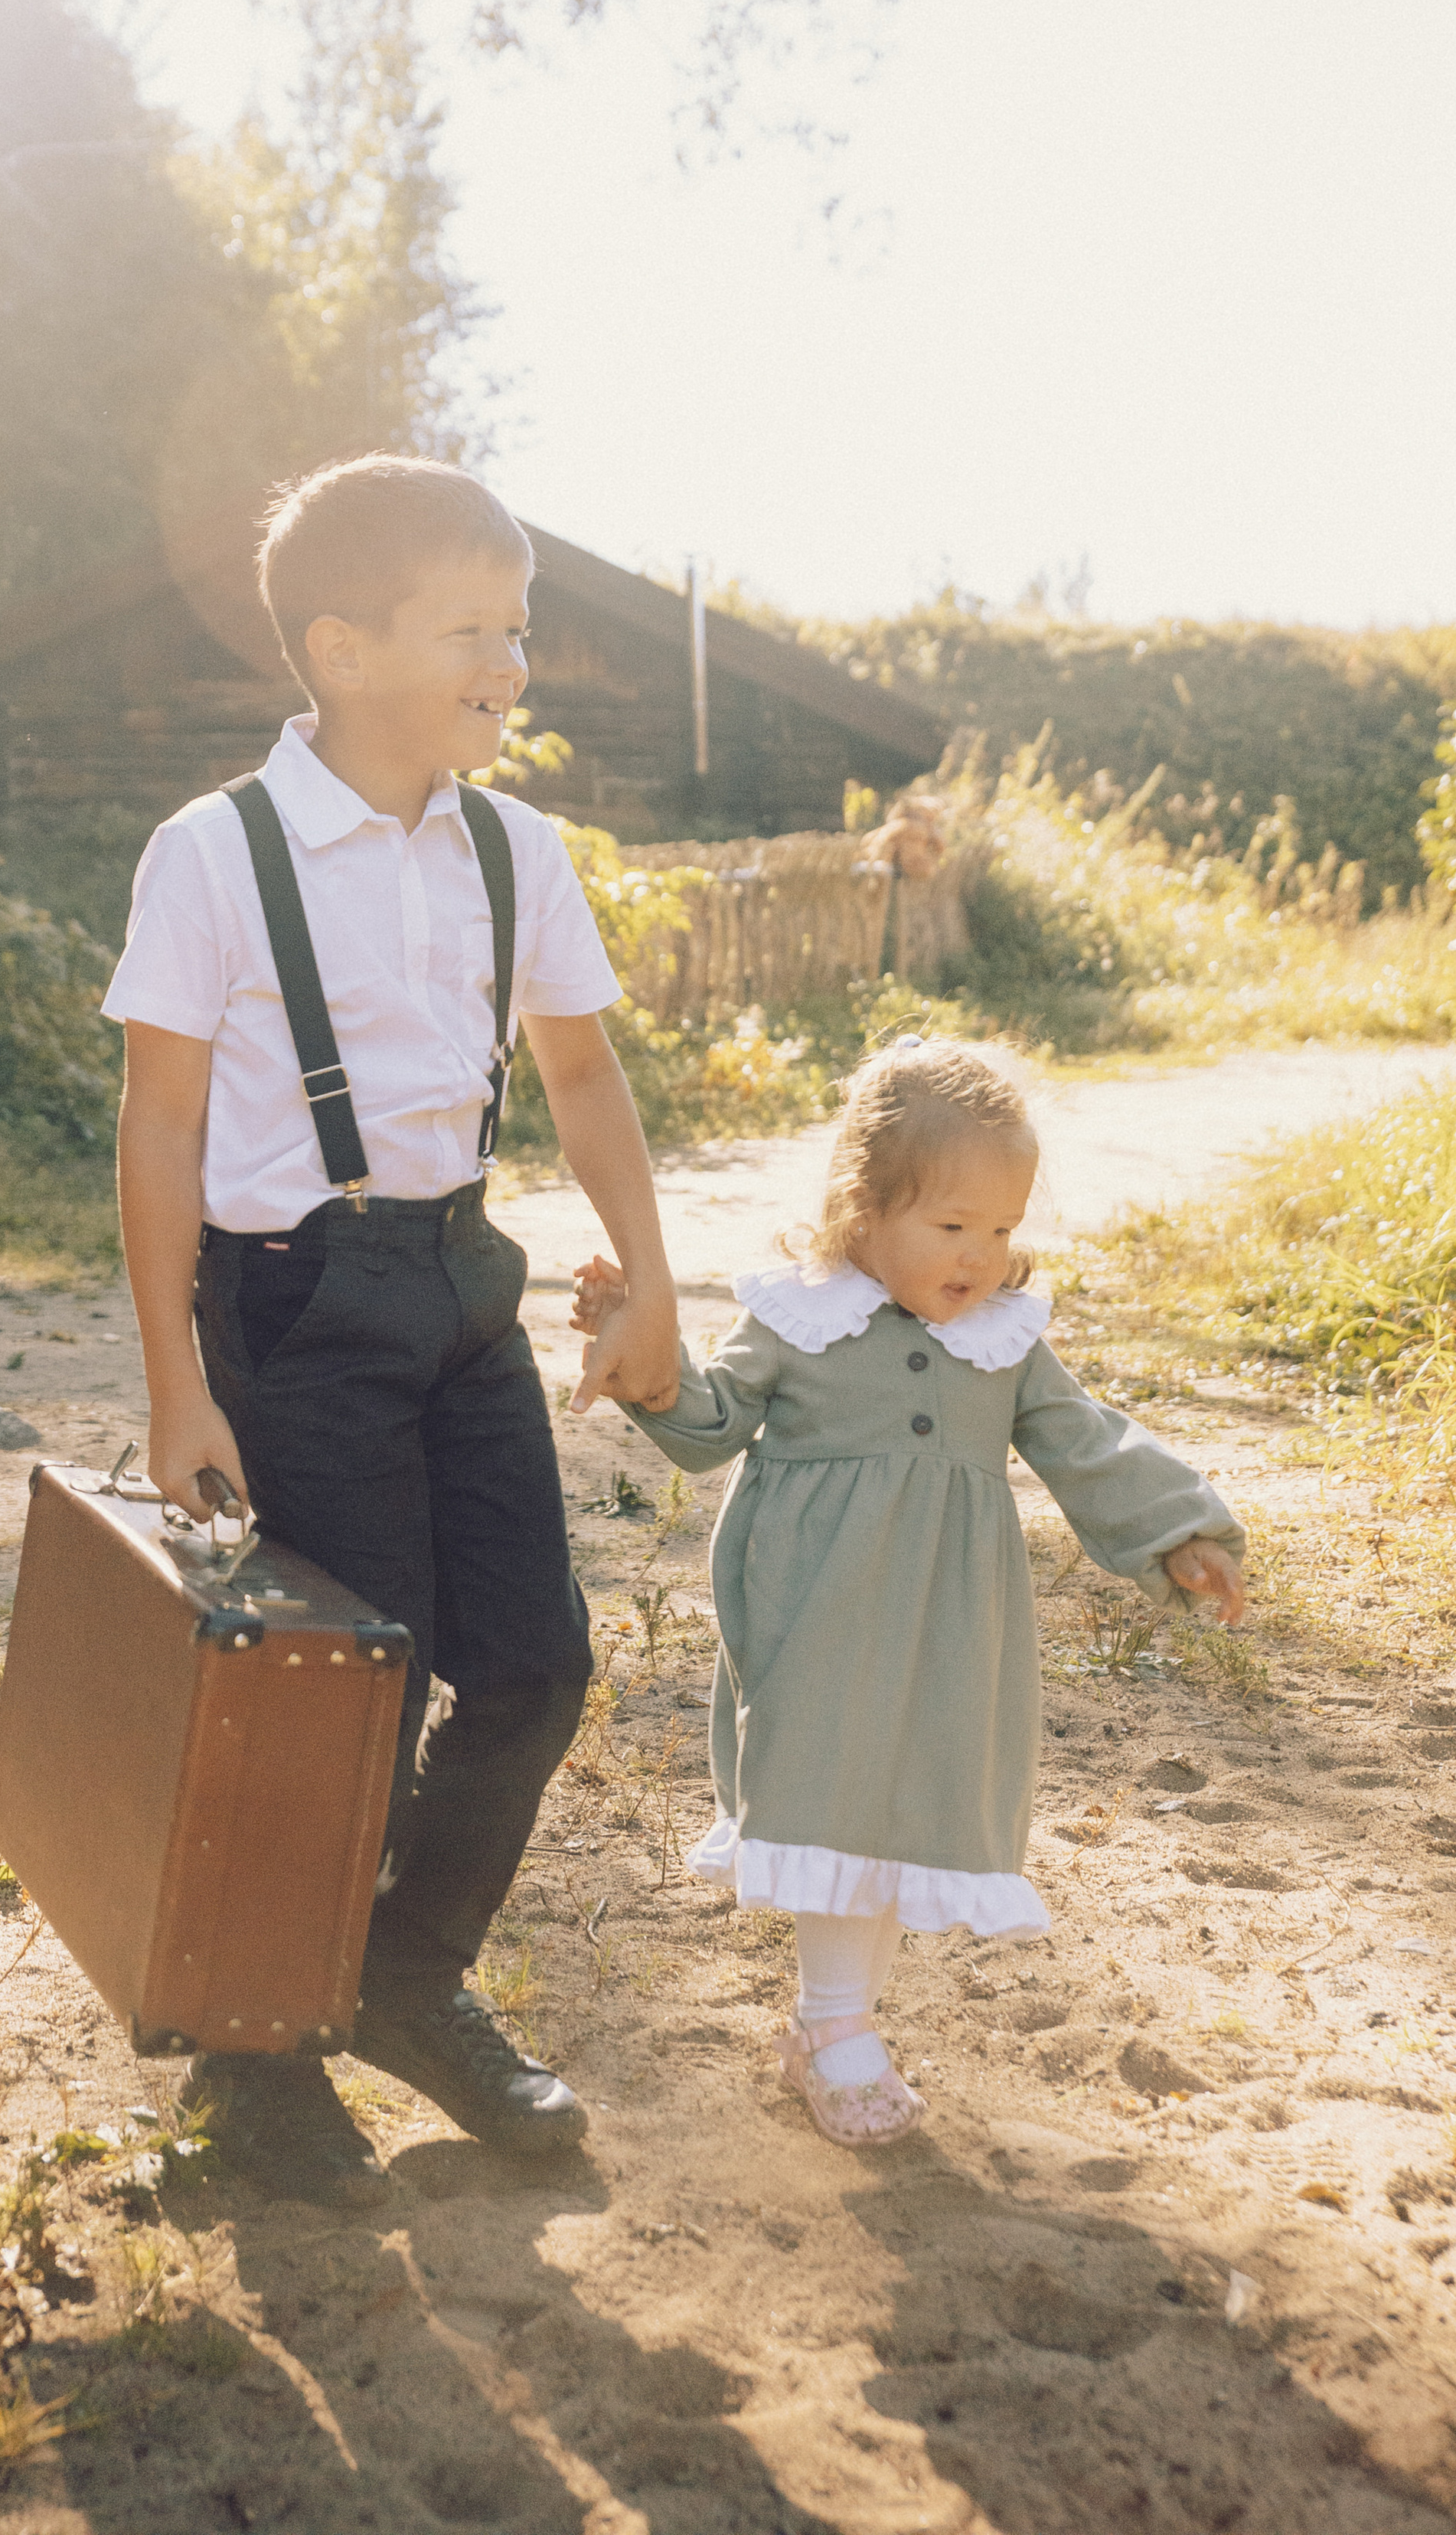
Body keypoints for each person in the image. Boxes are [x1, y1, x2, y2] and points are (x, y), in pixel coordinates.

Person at [101, 455, 681, 2205]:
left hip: (458, 1278)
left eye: (517, 626)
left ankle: (404, 1978)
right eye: (471, 629)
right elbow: (159, 1126)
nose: (511, 659)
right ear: (342, 650)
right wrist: (176, 1383)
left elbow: (580, 1072)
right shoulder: (215, 853)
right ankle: (254, 2061)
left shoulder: (518, 848)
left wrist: (651, 1275)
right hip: (290, 1300)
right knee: (339, 1687)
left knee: (533, 1665)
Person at [570, 1035, 1245, 2148]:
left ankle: (834, 2025)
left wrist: (1178, 1533)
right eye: (953, 1226)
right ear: (864, 1208)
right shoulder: (798, 1316)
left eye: (1003, 1230)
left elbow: (1084, 1443)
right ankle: (837, 2029)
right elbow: (707, 1425)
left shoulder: (1004, 1339)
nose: (982, 1257)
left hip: (949, 1625)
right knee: (834, 1800)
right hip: (817, 1612)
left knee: (902, 1814)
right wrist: (634, 1348)